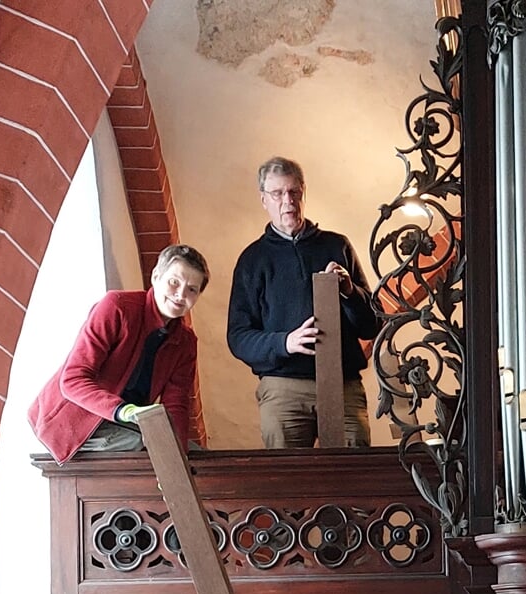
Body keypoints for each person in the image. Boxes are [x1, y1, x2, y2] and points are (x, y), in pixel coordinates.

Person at [228, 157, 380, 448]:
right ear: (264, 199)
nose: (288, 201)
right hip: (283, 388)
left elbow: (371, 324)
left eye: (294, 192)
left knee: (355, 478)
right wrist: (285, 342)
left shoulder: (337, 245)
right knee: (290, 483)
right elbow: (238, 337)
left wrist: (350, 292)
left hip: (342, 384)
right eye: (277, 194)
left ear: (303, 193)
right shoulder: (252, 259)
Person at [27, 244, 210, 461]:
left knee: (197, 458)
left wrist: (178, 457)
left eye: (192, 289)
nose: (180, 295)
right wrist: (124, 411)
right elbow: (73, 380)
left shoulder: (186, 342)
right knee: (145, 446)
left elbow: (176, 404)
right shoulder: (117, 307)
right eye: (174, 282)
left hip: (125, 425)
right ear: (155, 277)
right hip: (73, 423)